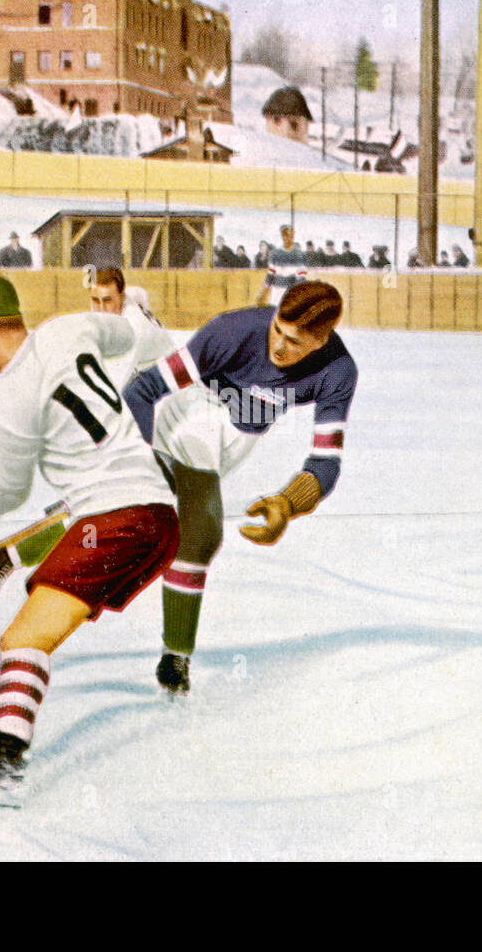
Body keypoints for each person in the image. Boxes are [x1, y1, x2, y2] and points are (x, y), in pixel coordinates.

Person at [0, 275, 179, 801]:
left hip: (115, 519)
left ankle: (5, 761)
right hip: (155, 512)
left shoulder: (9, 397)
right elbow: (133, 337)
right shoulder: (68, 329)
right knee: (30, 626)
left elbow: (7, 492)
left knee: (23, 637)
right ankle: (5, 724)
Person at [123, 281, 358, 695]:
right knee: (200, 533)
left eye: (296, 342)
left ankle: (8, 555)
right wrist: (139, 459)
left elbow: (327, 461)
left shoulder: (338, 370)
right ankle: (175, 661)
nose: (281, 348)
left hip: (230, 443)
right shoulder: (233, 331)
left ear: (321, 342)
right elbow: (142, 391)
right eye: (278, 332)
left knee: (123, 517)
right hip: (186, 417)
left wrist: (289, 502)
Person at [0, 266, 175, 614]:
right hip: (148, 408)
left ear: (121, 298)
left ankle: (11, 551)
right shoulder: (122, 311)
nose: (99, 309)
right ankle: (8, 554)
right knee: (105, 508)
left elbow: (104, 393)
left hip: (166, 416)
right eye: (94, 300)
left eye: (107, 300)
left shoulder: (133, 331)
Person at [258, 225, 306, 307]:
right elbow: (270, 277)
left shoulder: (299, 255)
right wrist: (263, 294)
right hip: (276, 294)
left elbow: (301, 278)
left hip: (291, 295)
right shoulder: (275, 254)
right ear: (282, 236)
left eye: (290, 235)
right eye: (285, 234)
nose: (287, 237)